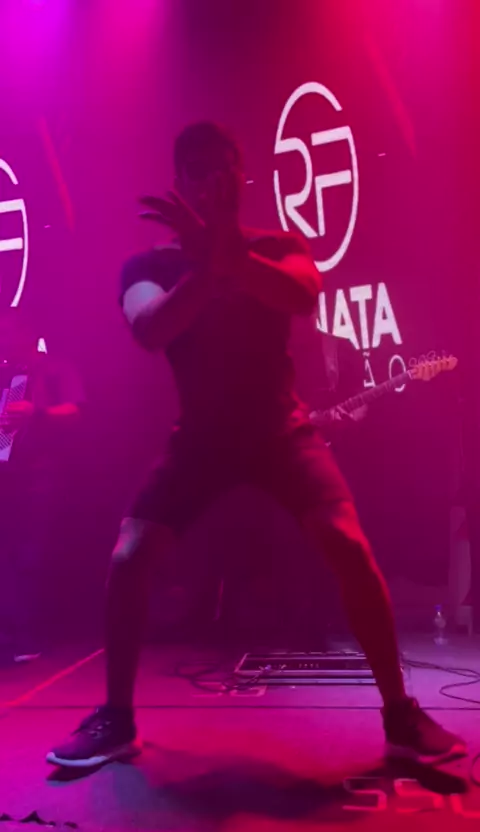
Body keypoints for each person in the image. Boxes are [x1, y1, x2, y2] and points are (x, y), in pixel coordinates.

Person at [48, 121, 465, 767]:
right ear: (180, 182)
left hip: (279, 430)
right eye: (199, 169)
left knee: (349, 546)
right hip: (201, 437)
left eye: (226, 166)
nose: (215, 180)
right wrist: (206, 267)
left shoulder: (279, 245)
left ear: (243, 177)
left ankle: (400, 715)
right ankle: (117, 719)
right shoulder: (150, 265)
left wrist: (229, 256)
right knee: (129, 558)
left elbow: (301, 294)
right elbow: (150, 328)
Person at [0, 309, 84, 660]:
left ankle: (28, 637)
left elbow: (76, 410)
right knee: (7, 556)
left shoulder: (55, 368)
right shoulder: (5, 373)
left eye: (8, 331)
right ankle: (8, 637)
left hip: (39, 473)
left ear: (27, 332)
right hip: (6, 474)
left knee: (30, 555)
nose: (3, 338)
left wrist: (37, 412)